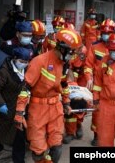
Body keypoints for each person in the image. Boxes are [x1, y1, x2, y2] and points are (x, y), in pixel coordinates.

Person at [14, 28, 82, 163]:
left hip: (56, 108)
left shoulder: (65, 64)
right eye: (71, 52)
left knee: (56, 146)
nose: (72, 55)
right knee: (38, 149)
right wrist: (19, 112)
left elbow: (64, 85)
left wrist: (67, 102)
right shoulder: (39, 61)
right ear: (62, 48)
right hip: (38, 109)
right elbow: (25, 88)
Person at [0, 47, 31, 163]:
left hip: (21, 107)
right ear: (14, 59)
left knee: (19, 134)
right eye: (21, 61)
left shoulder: (27, 70)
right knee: (0, 129)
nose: (23, 64)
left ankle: (18, 160)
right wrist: (1, 104)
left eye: (26, 62)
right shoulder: (4, 71)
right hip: (6, 105)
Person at [84, 18, 115, 146]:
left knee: (112, 113)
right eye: (104, 32)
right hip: (98, 85)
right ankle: (97, 135)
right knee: (97, 112)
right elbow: (88, 65)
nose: (106, 35)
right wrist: (88, 78)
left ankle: (109, 136)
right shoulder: (95, 46)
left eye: (108, 33)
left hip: (114, 86)